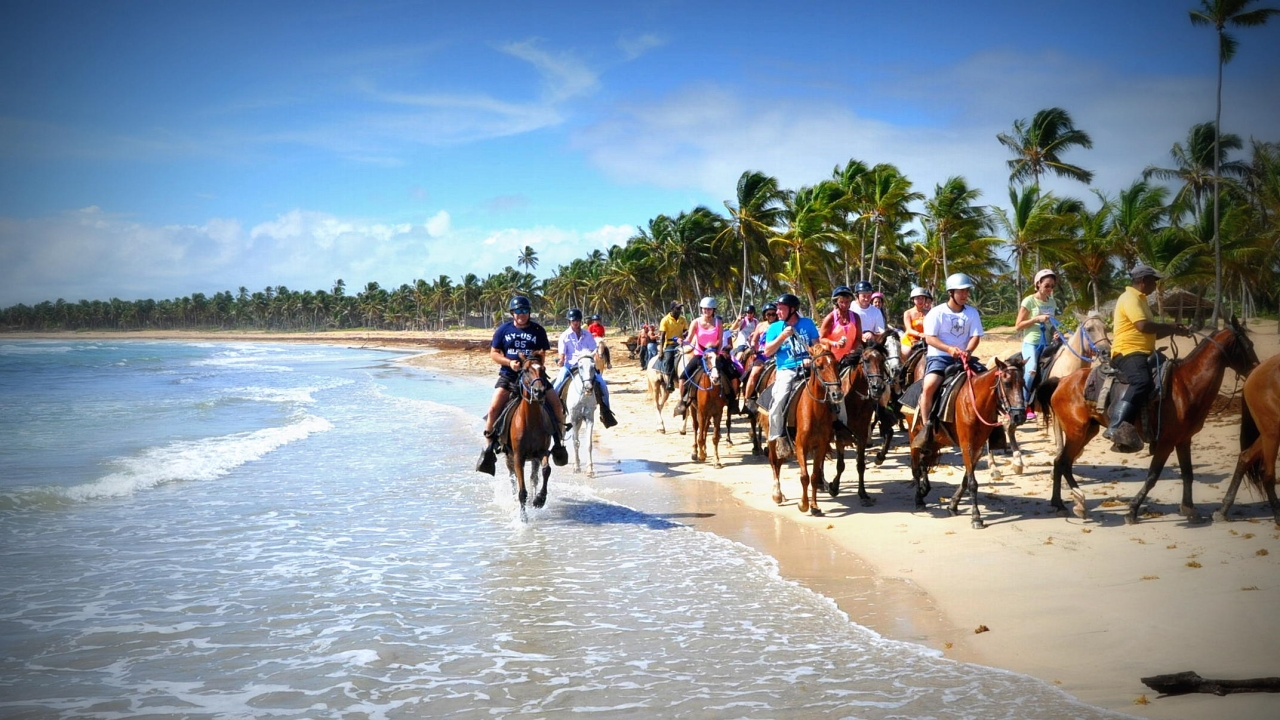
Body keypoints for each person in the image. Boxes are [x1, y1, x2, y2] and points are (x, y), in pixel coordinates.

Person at [1103, 263, 1192, 453]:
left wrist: (1175, 330)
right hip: (1127, 352)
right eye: (1154, 280)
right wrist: (1171, 327)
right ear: (1143, 280)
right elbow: (1143, 326)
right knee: (1141, 382)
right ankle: (1116, 425)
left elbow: (1151, 333)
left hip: (1145, 351)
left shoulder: (1141, 300)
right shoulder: (1129, 298)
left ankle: (1154, 430)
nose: (1155, 284)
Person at [477, 295, 568, 474]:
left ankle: (559, 441)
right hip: (509, 376)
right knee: (494, 407)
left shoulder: (538, 330)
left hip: (533, 375)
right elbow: (494, 353)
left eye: (524, 311)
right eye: (518, 311)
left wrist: (535, 365)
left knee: (555, 403)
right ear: (512, 313)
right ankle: (489, 448)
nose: (521, 314)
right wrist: (509, 363)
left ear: (529, 313)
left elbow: (542, 355)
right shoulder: (503, 330)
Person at [912, 274, 984, 450]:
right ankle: (927, 426)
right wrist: (949, 349)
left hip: (964, 357)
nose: (965, 294)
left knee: (989, 382)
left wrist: (968, 351)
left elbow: (976, 336)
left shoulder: (972, 313)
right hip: (940, 357)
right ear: (951, 292)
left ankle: (993, 427)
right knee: (929, 386)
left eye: (966, 291)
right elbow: (930, 339)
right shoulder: (937, 312)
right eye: (961, 291)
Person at [763, 293, 821, 450]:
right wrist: (781, 337)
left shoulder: (807, 324)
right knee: (779, 398)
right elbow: (767, 352)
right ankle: (778, 436)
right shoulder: (774, 328)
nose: (778, 312)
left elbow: (817, 346)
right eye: (777, 309)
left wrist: (812, 357)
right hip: (787, 368)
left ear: (792, 309)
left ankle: (839, 427)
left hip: (809, 366)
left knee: (833, 388)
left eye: (781, 309)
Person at [553, 308, 618, 428]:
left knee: (603, 385)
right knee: (556, 386)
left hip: (586, 365)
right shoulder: (564, 336)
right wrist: (561, 360)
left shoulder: (587, 335)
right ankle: (552, 413)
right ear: (569, 321)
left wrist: (596, 355)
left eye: (577, 320)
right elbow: (562, 354)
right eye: (573, 321)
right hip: (570, 365)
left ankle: (606, 412)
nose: (576, 323)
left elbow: (593, 350)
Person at [1013, 269, 1059, 416]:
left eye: (1052, 286)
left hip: (1047, 342)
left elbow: (1052, 324)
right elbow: (1018, 325)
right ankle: (1024, 404)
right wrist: (1035, 319)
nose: (1050, 289)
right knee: (1032, 369)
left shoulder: (1052, 302)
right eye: (1046, 285)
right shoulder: (1029, 301)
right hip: (1031, 343)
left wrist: (1055, 332)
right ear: (1038, 284)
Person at [674, 297, 725, 416]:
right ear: (701, 309)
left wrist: (715, 351)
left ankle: (732, 401)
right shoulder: (696, 322)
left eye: (709, 309)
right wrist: (682, 341)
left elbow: (720, 340)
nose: (706, 311)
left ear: (713, 310)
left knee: (731, 373)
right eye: (704, 309)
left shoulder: (718, 322)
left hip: (714, 354)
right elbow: (690, 339)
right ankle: (682, 402)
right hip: (699, 355)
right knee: (683, 377)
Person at [741, 303, 778, 413]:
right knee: (754, 373)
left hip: (777, 355)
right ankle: (747, 400)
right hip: (763, 355)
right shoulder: (761, 326)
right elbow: (754, 339)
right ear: (765, 315)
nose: (771, 316)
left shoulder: (781, 325)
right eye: (768, 314)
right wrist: (753, 346)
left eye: (773, 314)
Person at [818, 285, 860, 367]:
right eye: (841, 302)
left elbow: (858, 338)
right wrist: (834, 343)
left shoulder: (855, 317)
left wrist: (852, 351)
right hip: (833, 359)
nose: (844, 305)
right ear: (836, 302)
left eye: (847, 302)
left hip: (851, 357)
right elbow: (821, 338)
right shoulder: (830, 318)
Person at [657, 301, 688, 391]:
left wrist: (686, 333)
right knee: (670, 359)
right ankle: (670, 382)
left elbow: (685, 331)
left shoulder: (683, 319)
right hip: (670, 344)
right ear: (672, 309)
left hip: (681, 343)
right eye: (677, 308)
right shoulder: (665, 320)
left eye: (680, 308)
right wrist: (661, 351)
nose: (679, 310)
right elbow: (662, 337)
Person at [851, 280, 886, 348]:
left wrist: (872, 334)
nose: (866, 299)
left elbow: (881, 332)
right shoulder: (850, 307)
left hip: (869, 345)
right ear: (857, 295)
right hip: (852, 343)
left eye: (869, 296)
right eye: (863, 296)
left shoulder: (876, 311)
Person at [902, 285, 931, 353]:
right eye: (918, 298)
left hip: (926, 339)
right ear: (913, 299)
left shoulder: (930, 312)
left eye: (922, 298)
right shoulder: (908, 313)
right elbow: (909, 329)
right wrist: (919, 334)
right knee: (906, 352)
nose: (920, 300)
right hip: (910, 339)